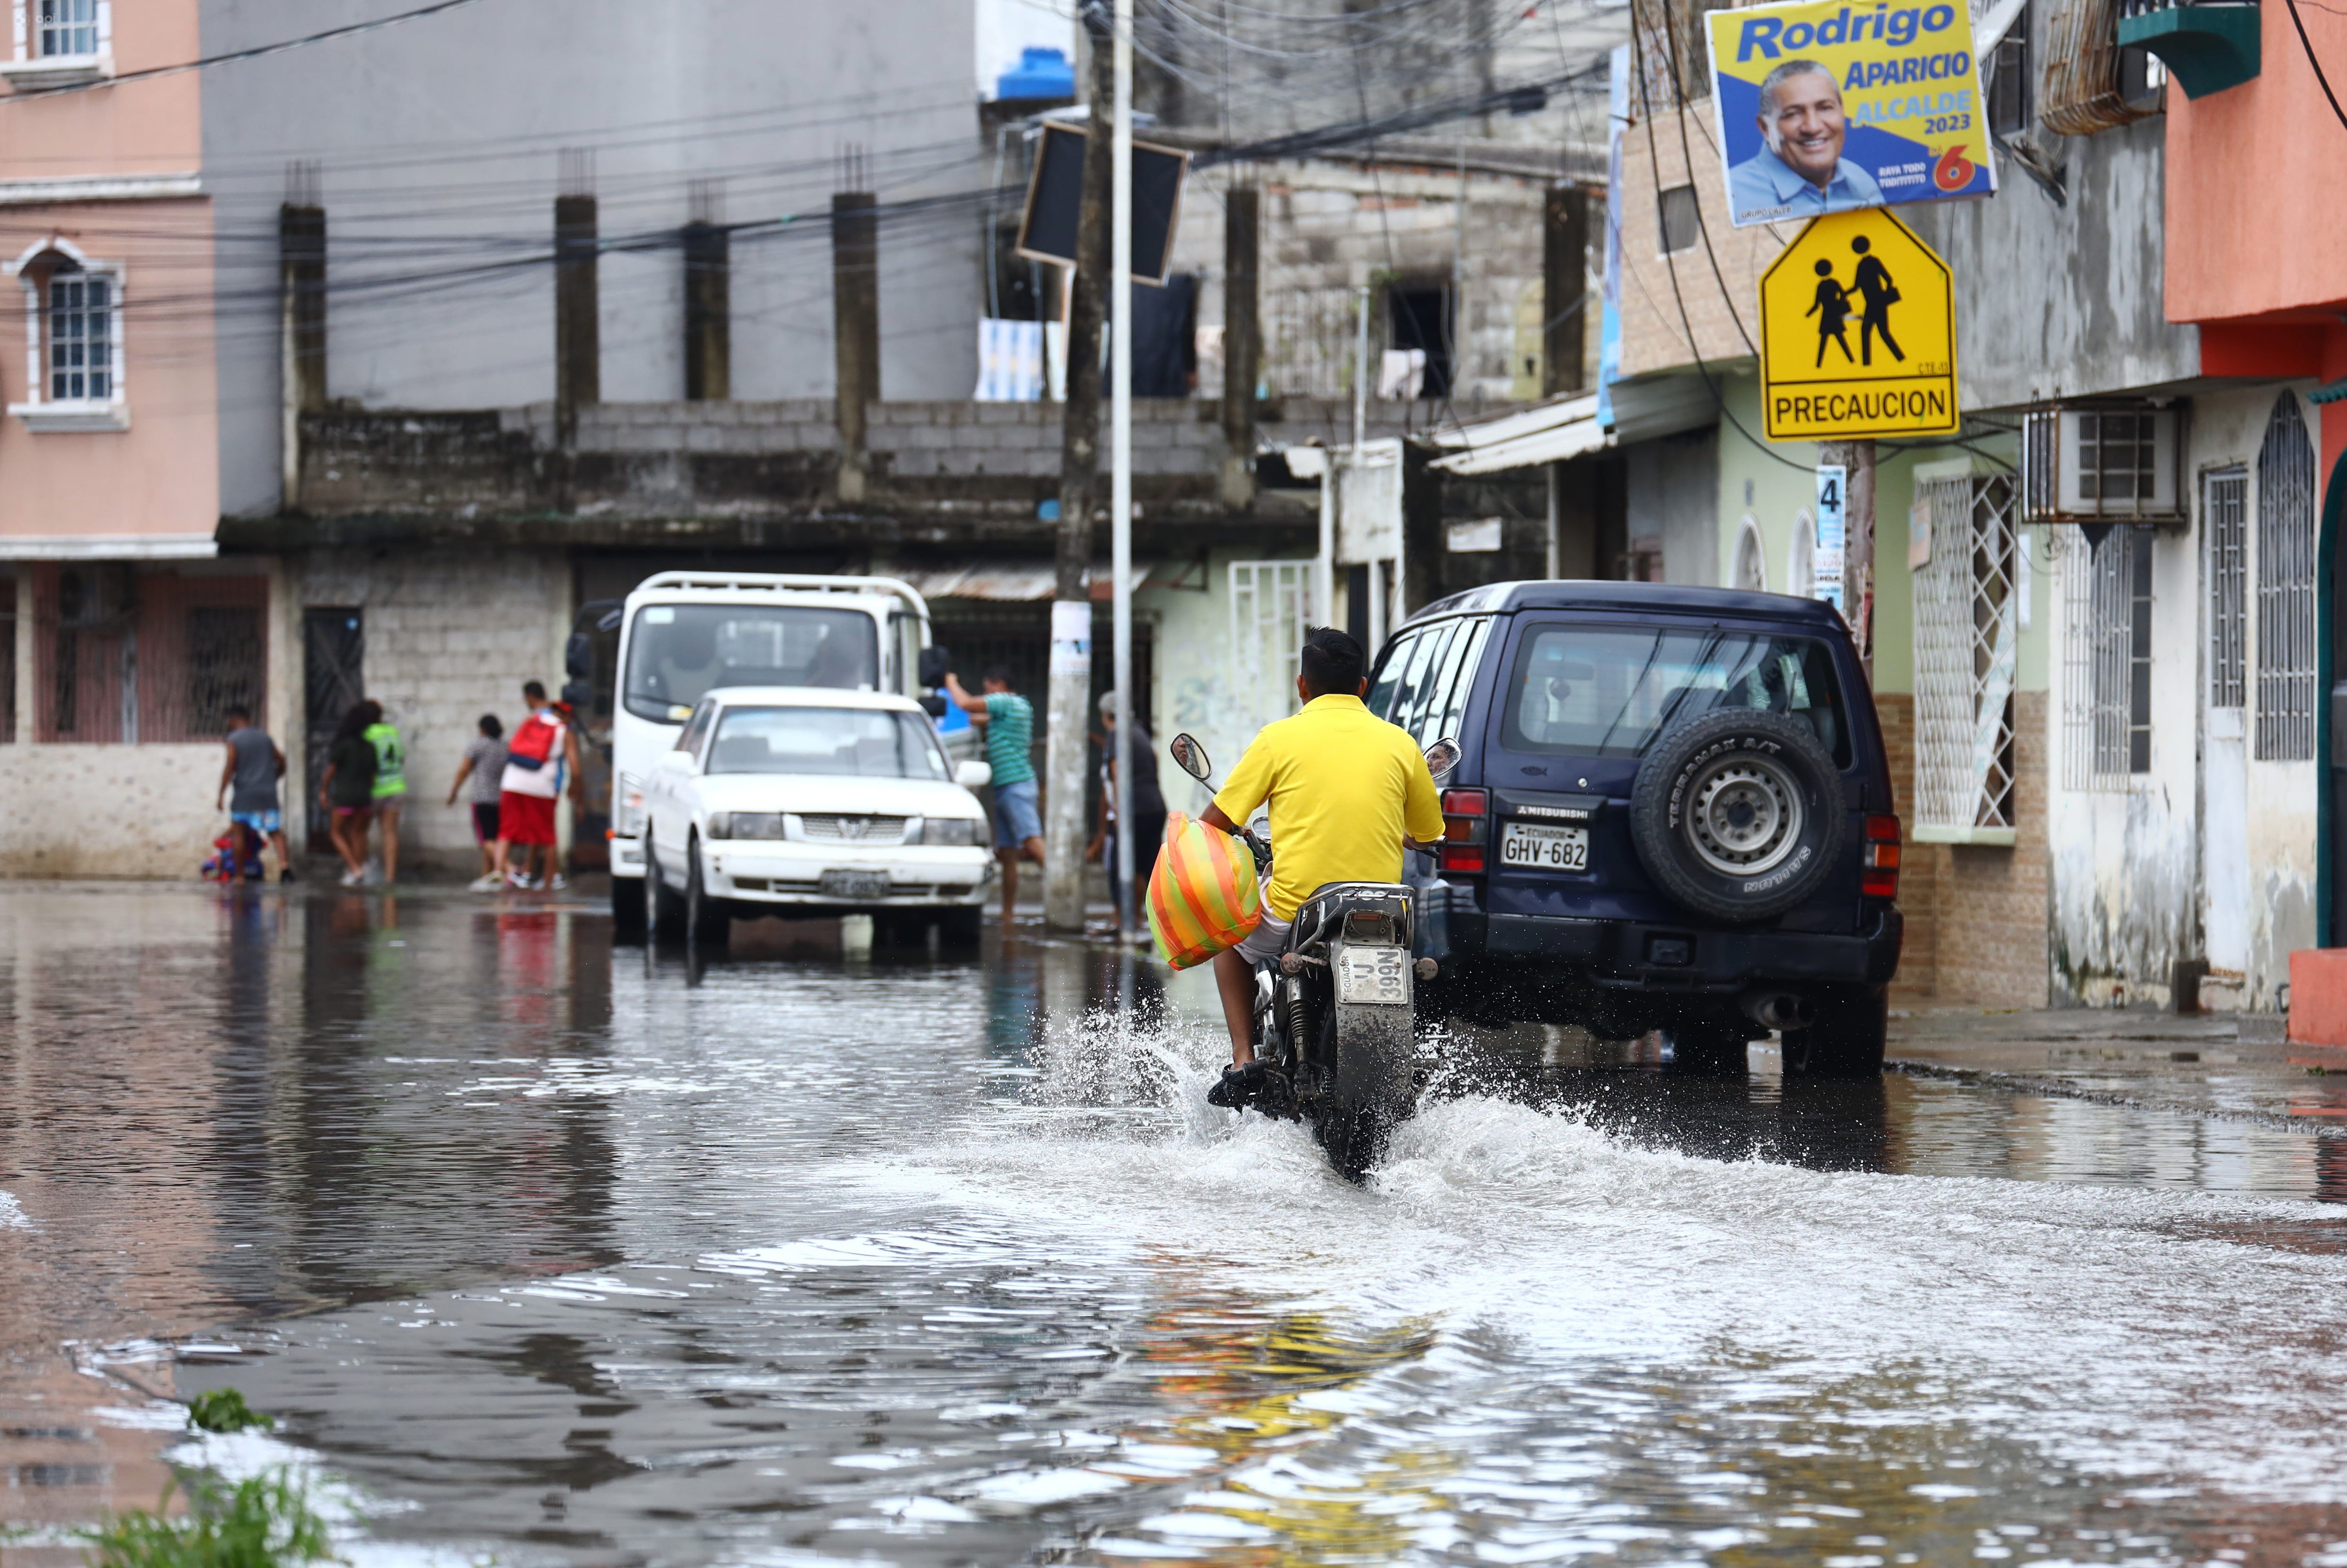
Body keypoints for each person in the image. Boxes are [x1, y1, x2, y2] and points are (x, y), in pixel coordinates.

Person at [1197, 628, 1444, 1108]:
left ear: (1301, 686)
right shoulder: (1400, 743)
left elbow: (1214, 823)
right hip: (1383, 910)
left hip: (1298, 909)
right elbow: (1428, 831)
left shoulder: (1277, 739)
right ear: (1362, 686)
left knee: (1227, 937)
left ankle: (1242, 1055)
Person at [1726, 60, 1884, 224]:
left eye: (1825, 108)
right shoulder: (1735, 197)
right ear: (1765, 128)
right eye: (1793, 114)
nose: (1813, 127)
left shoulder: (1862, 183)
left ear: (1842, 111)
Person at [943, 663, 1042, 926]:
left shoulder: (1004, 702)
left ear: (998, 685)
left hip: (1016, 785)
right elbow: (978, 718)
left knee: (1032, 843)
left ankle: (1063, 894)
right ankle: (1007, 914)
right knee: (1008, 854)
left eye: (987, 689)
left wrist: (950, 680)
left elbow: (965, 704)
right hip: (1007, 786)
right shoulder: (1018, 706)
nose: (986, 694)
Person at [482, 681, 583, 892]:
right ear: (566, 716)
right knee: (547, 836)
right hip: (541, 786)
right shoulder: (564, 731)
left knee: (506, 831)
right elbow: (575, 767)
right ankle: (548, 883)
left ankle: (499, 874)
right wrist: (576, 787)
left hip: (512, 782)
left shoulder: (532, 720)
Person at [1087, 689, 1166, 926]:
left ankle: (1121, 918)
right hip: (1154, 806)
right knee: (1145, 865)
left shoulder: (1115, 734)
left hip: (1132, 811)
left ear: (1106, 716)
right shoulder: (1138, 732)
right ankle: (1141, 918)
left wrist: (1121, 812)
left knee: (1118, 863)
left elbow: (1116, 770)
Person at [215, 704, 293, 883]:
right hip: (267, 793)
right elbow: (281, 761)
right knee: (275, 831)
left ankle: (240, 876)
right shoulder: (265, 737)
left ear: (233, 720)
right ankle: (285, 868)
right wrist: (274, 778)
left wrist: (221, 794)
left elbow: (230, 767)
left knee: (239, 832)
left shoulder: (233, 739)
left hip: (245, 793)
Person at [316, 700, 379, 887]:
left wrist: (323, 792)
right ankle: (361, 870)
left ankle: (355, 869)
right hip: (364, 797)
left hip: (345, 797)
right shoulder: (370, 747)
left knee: (336, 834)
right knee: (359, 834)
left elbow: (330, 771)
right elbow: (373, 775)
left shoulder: (343, 745)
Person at [446, 713, 508, 881]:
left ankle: (509, 868)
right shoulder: (505, 747)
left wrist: (454, 792)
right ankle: (487, 876)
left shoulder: (478, 745)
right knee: (493, 838)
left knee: (486, 840)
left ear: (482, 730)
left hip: (482, 798)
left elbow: (463, 770)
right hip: (501, 799)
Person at [363, 704, 409, 885]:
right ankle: (390, 876)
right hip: (396, 786)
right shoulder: (393, 732)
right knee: (390, 832)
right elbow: (402, 757)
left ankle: (362, 870)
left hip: (374, 788)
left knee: (360, 831)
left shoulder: (368, 733)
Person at [1849, 234, 1904, 366]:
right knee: (1872, 332)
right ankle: (1869, 365)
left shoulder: (1871, 262)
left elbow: (1889, 279)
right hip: (1872, 304)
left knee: (1879, 333)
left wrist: (1884, 297)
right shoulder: (1863, 264)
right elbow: (1857, 287)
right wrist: (1845, 294)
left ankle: (1899, 359)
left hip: (1877, 303)